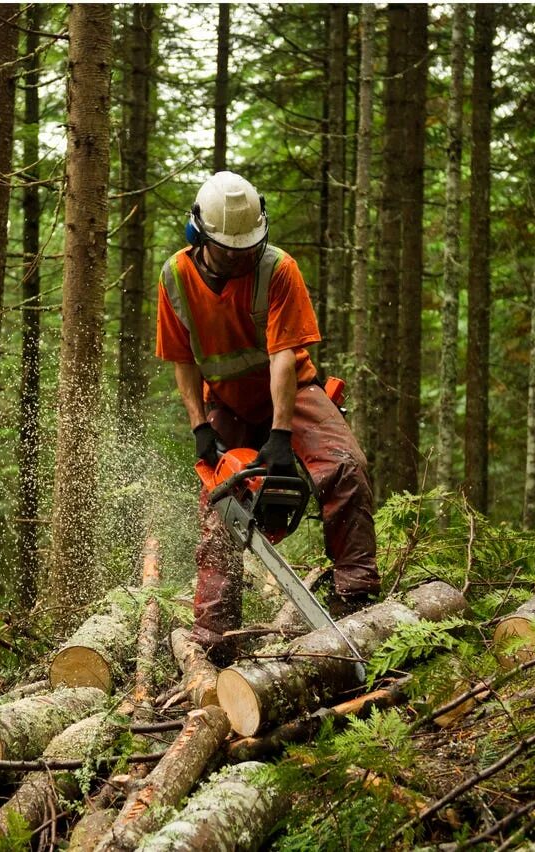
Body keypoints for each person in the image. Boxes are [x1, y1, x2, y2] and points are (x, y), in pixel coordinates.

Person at [155, 170, 381, 665]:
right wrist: (200, 426)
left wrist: (280, 436)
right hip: (228, 402)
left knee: (345, 467)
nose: (240, 257)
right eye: (229, 250)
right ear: (200, 235)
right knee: (220, 510)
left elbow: (283, 356)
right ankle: (215, 637)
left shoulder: (278, 269)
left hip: (291, 387)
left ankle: (357, 596)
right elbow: (183, 359)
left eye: (246, 248)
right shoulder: (175, 277)